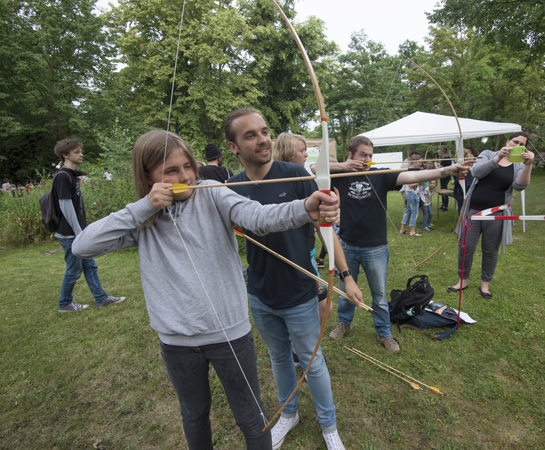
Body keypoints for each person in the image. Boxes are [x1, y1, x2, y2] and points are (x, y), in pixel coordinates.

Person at [72, 130, 339, 450]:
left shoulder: (212, 191)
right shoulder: (143, 218)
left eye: (188, 166)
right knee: (195, 416)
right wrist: (144, 206)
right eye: (170, 170)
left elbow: (258, 217)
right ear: (148, 176)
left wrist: (304, 207)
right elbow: (82, 246)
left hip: (230, 334)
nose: (185, 175)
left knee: (251, 417)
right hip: (177, 341)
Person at [225, 109, 363, 450]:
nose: (263, 140)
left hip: (300, 292)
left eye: (265, 131)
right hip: (259, 293)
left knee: (312, 361)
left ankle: (329, 426)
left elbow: (326, 229)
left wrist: (345, 276)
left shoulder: (296, 174)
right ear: (233, 147)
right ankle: (289, 415)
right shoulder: (230, 188)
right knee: (278, 358)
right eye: (250, 135)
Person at [320, 136, 468, 353]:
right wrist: (344, 166)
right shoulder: (341, 174)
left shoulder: (380, 174)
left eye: (370, 155)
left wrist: (447, 171)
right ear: (351, 155)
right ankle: (345, 323)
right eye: (362, 155)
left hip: (375, 247)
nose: (367, 159)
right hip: (347, 245)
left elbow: (413, 174)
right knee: (345, 290)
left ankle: (384, 333)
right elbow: (315, 168)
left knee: (378, 295)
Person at [448, 132, 534, 299]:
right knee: (466, 247)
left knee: (490, 250)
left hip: (497, 214)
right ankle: (462, 281)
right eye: (514, 141)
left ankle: (485, 285)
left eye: (521, 144)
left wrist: (529, 164)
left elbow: (519, 186)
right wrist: (498, 158)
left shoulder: (519, 164)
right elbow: (477, 172)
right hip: (473, 211)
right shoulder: (487, 154)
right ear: (508, 141)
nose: (516, 145)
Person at [50, 139, 125, 313]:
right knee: (74, 270)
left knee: (90, 266)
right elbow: (65, 206)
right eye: (76, 152)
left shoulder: (73, 175)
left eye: (80, 151)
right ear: (65, 155)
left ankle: (101, 298)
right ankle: (64, 303)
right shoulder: (63, 176)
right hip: (70, 234)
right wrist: (79, 233)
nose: (81, 154)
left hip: (77, 232)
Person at [273, 132, 332, 324]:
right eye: (302, 150)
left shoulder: (302, 175)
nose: (306, 154)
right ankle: (300, 347)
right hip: (286, 253)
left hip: (307, 251)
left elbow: (319, 214)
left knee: (324, 305)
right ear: (289, 153)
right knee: (318, 305)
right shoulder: (277, 178)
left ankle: (302, 346)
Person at [398, 155, 424, 236]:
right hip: (412, 193)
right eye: (419, 162)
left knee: (408, 212)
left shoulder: (414, 170)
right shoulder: (410, 171)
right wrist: (420, 180)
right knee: (414, 213)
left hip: (410, 193)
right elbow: (410, 184)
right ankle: (412, 232)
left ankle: (402, 229)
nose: (421, 164)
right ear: (415, 162)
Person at [452, 146, 479, 212]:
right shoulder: (470, 166)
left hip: (464, 191)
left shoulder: (463, 167)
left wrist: (454, 182)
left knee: (463, 211)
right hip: (470, 189)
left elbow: (460, 180)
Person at [420, 163, 437, 231]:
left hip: (428, 203)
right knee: (425, 214)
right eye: (431, 183)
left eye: (434, 184)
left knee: (431, 214)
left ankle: (428, 224)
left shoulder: (434, 190)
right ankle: (424, 226)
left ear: (436, 185)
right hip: (424, 204)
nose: (432, 185)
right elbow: (422, 194)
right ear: (429, 183)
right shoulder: (426, 189)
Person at [437, 147, 452, 211]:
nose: (438, 154)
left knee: (444, 192)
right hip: (446, 177)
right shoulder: (448, 158)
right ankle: (443, 204)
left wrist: (435, 165)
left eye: (439, 153)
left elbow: (439, 169)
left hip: (444, 177)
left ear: (442, 153)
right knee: (443, 191)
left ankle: (445, 206)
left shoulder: (444, 159)